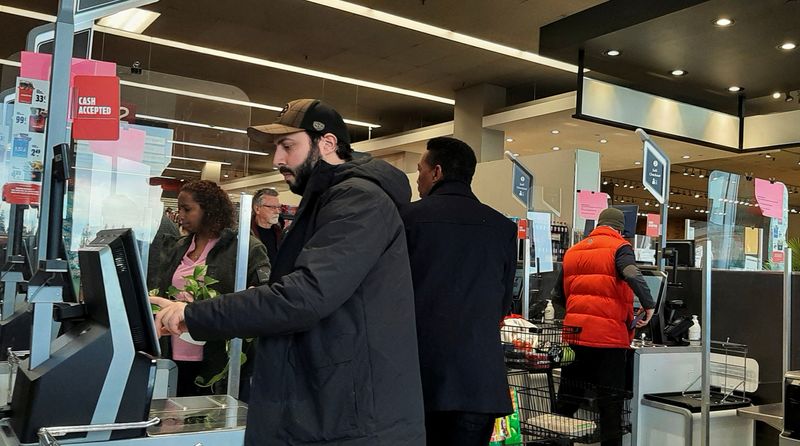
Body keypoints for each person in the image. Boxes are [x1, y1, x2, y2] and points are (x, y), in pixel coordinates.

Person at [150, 98, 425, 445]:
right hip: (327, 404)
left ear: (327, 144)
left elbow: (304, 296)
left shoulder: (358, 200)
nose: (277, 159)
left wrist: (193, 315)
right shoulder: (327, 199)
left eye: (288, 146)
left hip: (351, 417)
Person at [401, 136, 517, 445]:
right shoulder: (502, 227)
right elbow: (502, 304)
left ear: (436, 172)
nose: (418, 178)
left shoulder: (407, 218)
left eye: (420, 170)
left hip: (420, 377)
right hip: (480, 382)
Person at [153, 180, 270, 396]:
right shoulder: (178, 247)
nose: (181, 215)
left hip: (218, 359)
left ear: (209, 210)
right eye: (179, 209)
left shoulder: (245, 248)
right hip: (174, 352)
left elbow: (261, 300)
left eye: (187, 209)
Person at [551, 207, 654, 446]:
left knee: (567, 402)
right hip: (608, 342)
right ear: (620, 229)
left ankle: (553, 442)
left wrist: (576, 315)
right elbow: (633, 275)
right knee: (610, 407)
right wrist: (648, 305)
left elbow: (557, 295)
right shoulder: (620, 247)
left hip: (575, 338)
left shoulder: (573, 251)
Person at [250, 187, 283, 267]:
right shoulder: (245, 235)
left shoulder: (281, 234)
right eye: (272, 207)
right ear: (257, 209)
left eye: (278, 207)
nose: (277, 211)